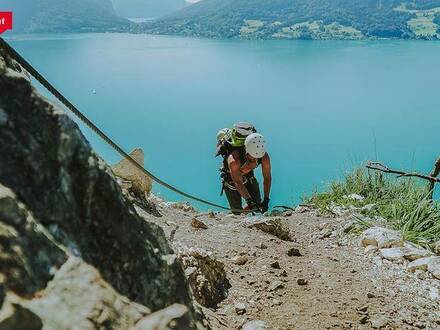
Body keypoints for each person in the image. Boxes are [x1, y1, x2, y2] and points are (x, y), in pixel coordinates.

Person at [217, 122, 272, 215]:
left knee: (257, 204)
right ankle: (233, 216)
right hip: (231, 180)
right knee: (236, 212)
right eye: (252, 157)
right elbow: (237, 182)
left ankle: (241, 213)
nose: (255, 159)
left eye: (256, 157)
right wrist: (249, 201)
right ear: (246, 150)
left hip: (248, 176)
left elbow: (267, 178)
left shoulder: (264, 157)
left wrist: (266, 199)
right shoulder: (234, 160)